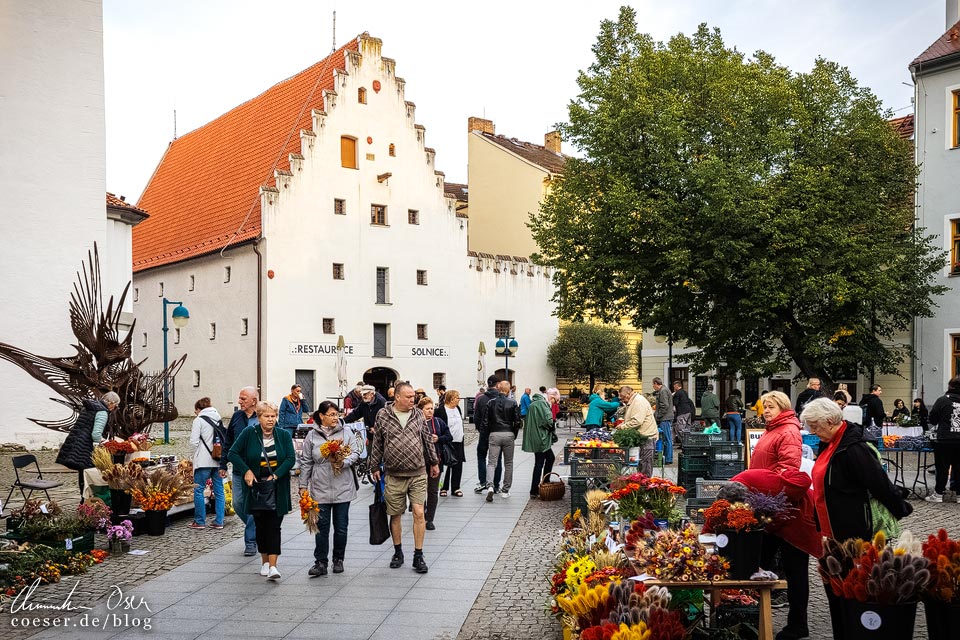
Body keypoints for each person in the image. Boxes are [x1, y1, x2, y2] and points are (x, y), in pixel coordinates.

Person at [803, 397, 912, 640]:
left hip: (852, 530)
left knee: (854, 586)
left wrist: (900, 507)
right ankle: (841, 630)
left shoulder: (854, 448)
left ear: (831, 421)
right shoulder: (828, 443)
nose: (812, 432)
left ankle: (854, 631)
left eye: (815, 426)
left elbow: (879, 483)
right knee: (834, 585)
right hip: (829, 532)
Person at [719, 468, 821, 640]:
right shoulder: (733, 488)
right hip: (770, 525)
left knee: (795, 573)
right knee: (756, 565)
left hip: (797, 522)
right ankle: (753, 616)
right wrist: (707, 534)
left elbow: (803, 479)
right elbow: (720, 516)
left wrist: (784, 474)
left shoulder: (769, 488)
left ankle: (798, 625)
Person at [370, 382, 440, 573]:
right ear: (397, 397)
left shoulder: (418, 414)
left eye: (413, 397)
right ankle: (398, 551)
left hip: (417, 472)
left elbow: (426, 438)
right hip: (393, 474)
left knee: (419, 512)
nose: (413, 400)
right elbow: (378, 442)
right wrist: (374, 465)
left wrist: (434, 462)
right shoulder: (383, 415)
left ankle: (418, 555)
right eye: (409, 397)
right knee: (396, 514)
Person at [228, 401, 296, 581]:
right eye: (266, 416)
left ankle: (273, 566)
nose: (270, 420)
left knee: (274, 526)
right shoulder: (249, 433)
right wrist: (247, 471)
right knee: (260, 526)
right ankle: (264, 562)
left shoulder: (283, 435)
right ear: (259, 418)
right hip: (256, 487)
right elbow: (232, 453)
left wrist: (276, 475)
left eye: (273, 416)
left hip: (277, 486)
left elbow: (290, 458)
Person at [300, 401, 359, 576]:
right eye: (332, 414)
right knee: (321, 526)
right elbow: (306, 461)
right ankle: (320, 562)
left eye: (337, 414)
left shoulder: (346, 432)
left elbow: (356, 453)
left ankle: (338, 559)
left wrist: (343, 461)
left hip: (343, 486)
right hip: (320, 486)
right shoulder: (312, 436)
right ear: (321, 416)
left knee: (341, 527)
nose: (335, 418)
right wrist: (303, 485)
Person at [57, 391, 120, 500]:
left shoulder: (90, 408)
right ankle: (88, 500)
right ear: (111, 403)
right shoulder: (102, 412)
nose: (114, 408)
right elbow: (96, 434)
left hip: (75, 443)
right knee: (88, 472)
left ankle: (84, 499)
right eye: (115, 405)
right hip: (85, 447)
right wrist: (104, 443)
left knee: (82, 473)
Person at [222, 386, 260, 556]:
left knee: (252, 505)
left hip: (258, 471)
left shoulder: (263, 416)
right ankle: (259, 527)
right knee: (238, 504)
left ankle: (251, 541)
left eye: (243, 398)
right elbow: (228, 440)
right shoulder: (237, 417)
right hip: (239, 469)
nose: (240, 401)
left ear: (254, 400)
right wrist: (223, 464)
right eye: (240, 398)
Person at [189, 397, 225, 530]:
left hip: (203, 461)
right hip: (218, 459)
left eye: (195, 411)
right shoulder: (218, 418)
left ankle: (199, 521)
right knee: (219, 490)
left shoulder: (198, 420)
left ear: (199, 409)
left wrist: (194, 455)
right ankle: (219, 521)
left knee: (198, 490)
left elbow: (193, 442)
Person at [925, 376, 960, 502]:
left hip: (945, 439)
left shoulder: (942, 400)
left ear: (950, 386)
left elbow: (932, 418)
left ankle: (939, 493)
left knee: (942, 468)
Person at [484, 380, 520, 501]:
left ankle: (489, 486)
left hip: (494, 433)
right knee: (508, 463)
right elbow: (517, 421)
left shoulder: (491, 402)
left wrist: (488, 433)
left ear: (498, 389)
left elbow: (485, 421)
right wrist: (514, 434)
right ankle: (505, 490)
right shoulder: (513, 402)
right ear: (509, 390)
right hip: (508, 433)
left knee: (491, 462)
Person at [418, 397, 452, 530]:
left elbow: (449, 436)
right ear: (421, 410)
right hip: (419, 461)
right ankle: (420, 512)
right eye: (427, 409)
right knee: (420, 489)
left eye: (432, 408)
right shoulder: (415, 423)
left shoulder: (438, 422)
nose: (430, 411)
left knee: (432, 490)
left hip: (436, 460)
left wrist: (439, 438)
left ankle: (430, 518)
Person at [750, 391, 802, 473]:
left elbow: (788, 469)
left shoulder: (789, 433)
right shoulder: (771, 428)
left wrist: (767, 483)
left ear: (783, 408)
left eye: (771, 407)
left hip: (769, 484)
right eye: (765, 407)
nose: (766, 411)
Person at [472, 375, 503, 494]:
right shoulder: (501, 399)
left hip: (484, 433)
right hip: (498, 433)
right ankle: (495, 485)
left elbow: (476, 417)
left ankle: (483, 482)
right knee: (497, 459)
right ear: (497, 385)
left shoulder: (481, 399)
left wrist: (481, 430)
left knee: (481, 456)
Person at [619, 385, 658, 476]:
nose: (622, 400)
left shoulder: (638, 401)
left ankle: (645, 487)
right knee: (642, 464)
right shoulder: (633, 401)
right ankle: (641, 486)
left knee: (645, 465)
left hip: (647, 437)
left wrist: (623, 427)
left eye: (623, 397)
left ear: (628, 394)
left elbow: (637, 421)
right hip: (643, 436)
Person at [523, 390, 555, 498]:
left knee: (547, 459)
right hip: (542, 438)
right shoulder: (542, 403)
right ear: (551, 397)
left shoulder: (535, 403)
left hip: (536, 437)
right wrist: (551, 427)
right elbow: (548, 420)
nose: (553, 403)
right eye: (555, 400)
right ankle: (537, 487)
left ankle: (540, 485)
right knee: (541, 462)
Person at [436, 390, 466, 497]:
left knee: (458, 464)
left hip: (458, 441)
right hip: (447, 442)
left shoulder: (457, 408)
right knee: (447, 463)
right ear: (451, 398)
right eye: (457, 397)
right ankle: (444, 487)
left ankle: (456, 487)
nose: (459, 399)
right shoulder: (441, 410)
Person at [345, 385, 386, 450]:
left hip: (382, 437)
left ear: (372, 394)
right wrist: (343, 421)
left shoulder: (381, 402)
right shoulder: (364, 402)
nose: (363, 396)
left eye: (365, 394)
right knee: (370, 455)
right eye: (362, 394)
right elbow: (355, 414)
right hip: (370, 436)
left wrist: (377, 428)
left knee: (380, 456)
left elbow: (386, 420)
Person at [651, 378, 675, 463]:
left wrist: (658, 416)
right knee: (667, 438)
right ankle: (668, 458)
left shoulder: (663, 391)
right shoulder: (664, 390)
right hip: (666, 417)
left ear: (656, 383)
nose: (653, 386)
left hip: (665, 418)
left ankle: (668, 459)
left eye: (653, 384)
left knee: (667, 439)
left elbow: (664, 405)